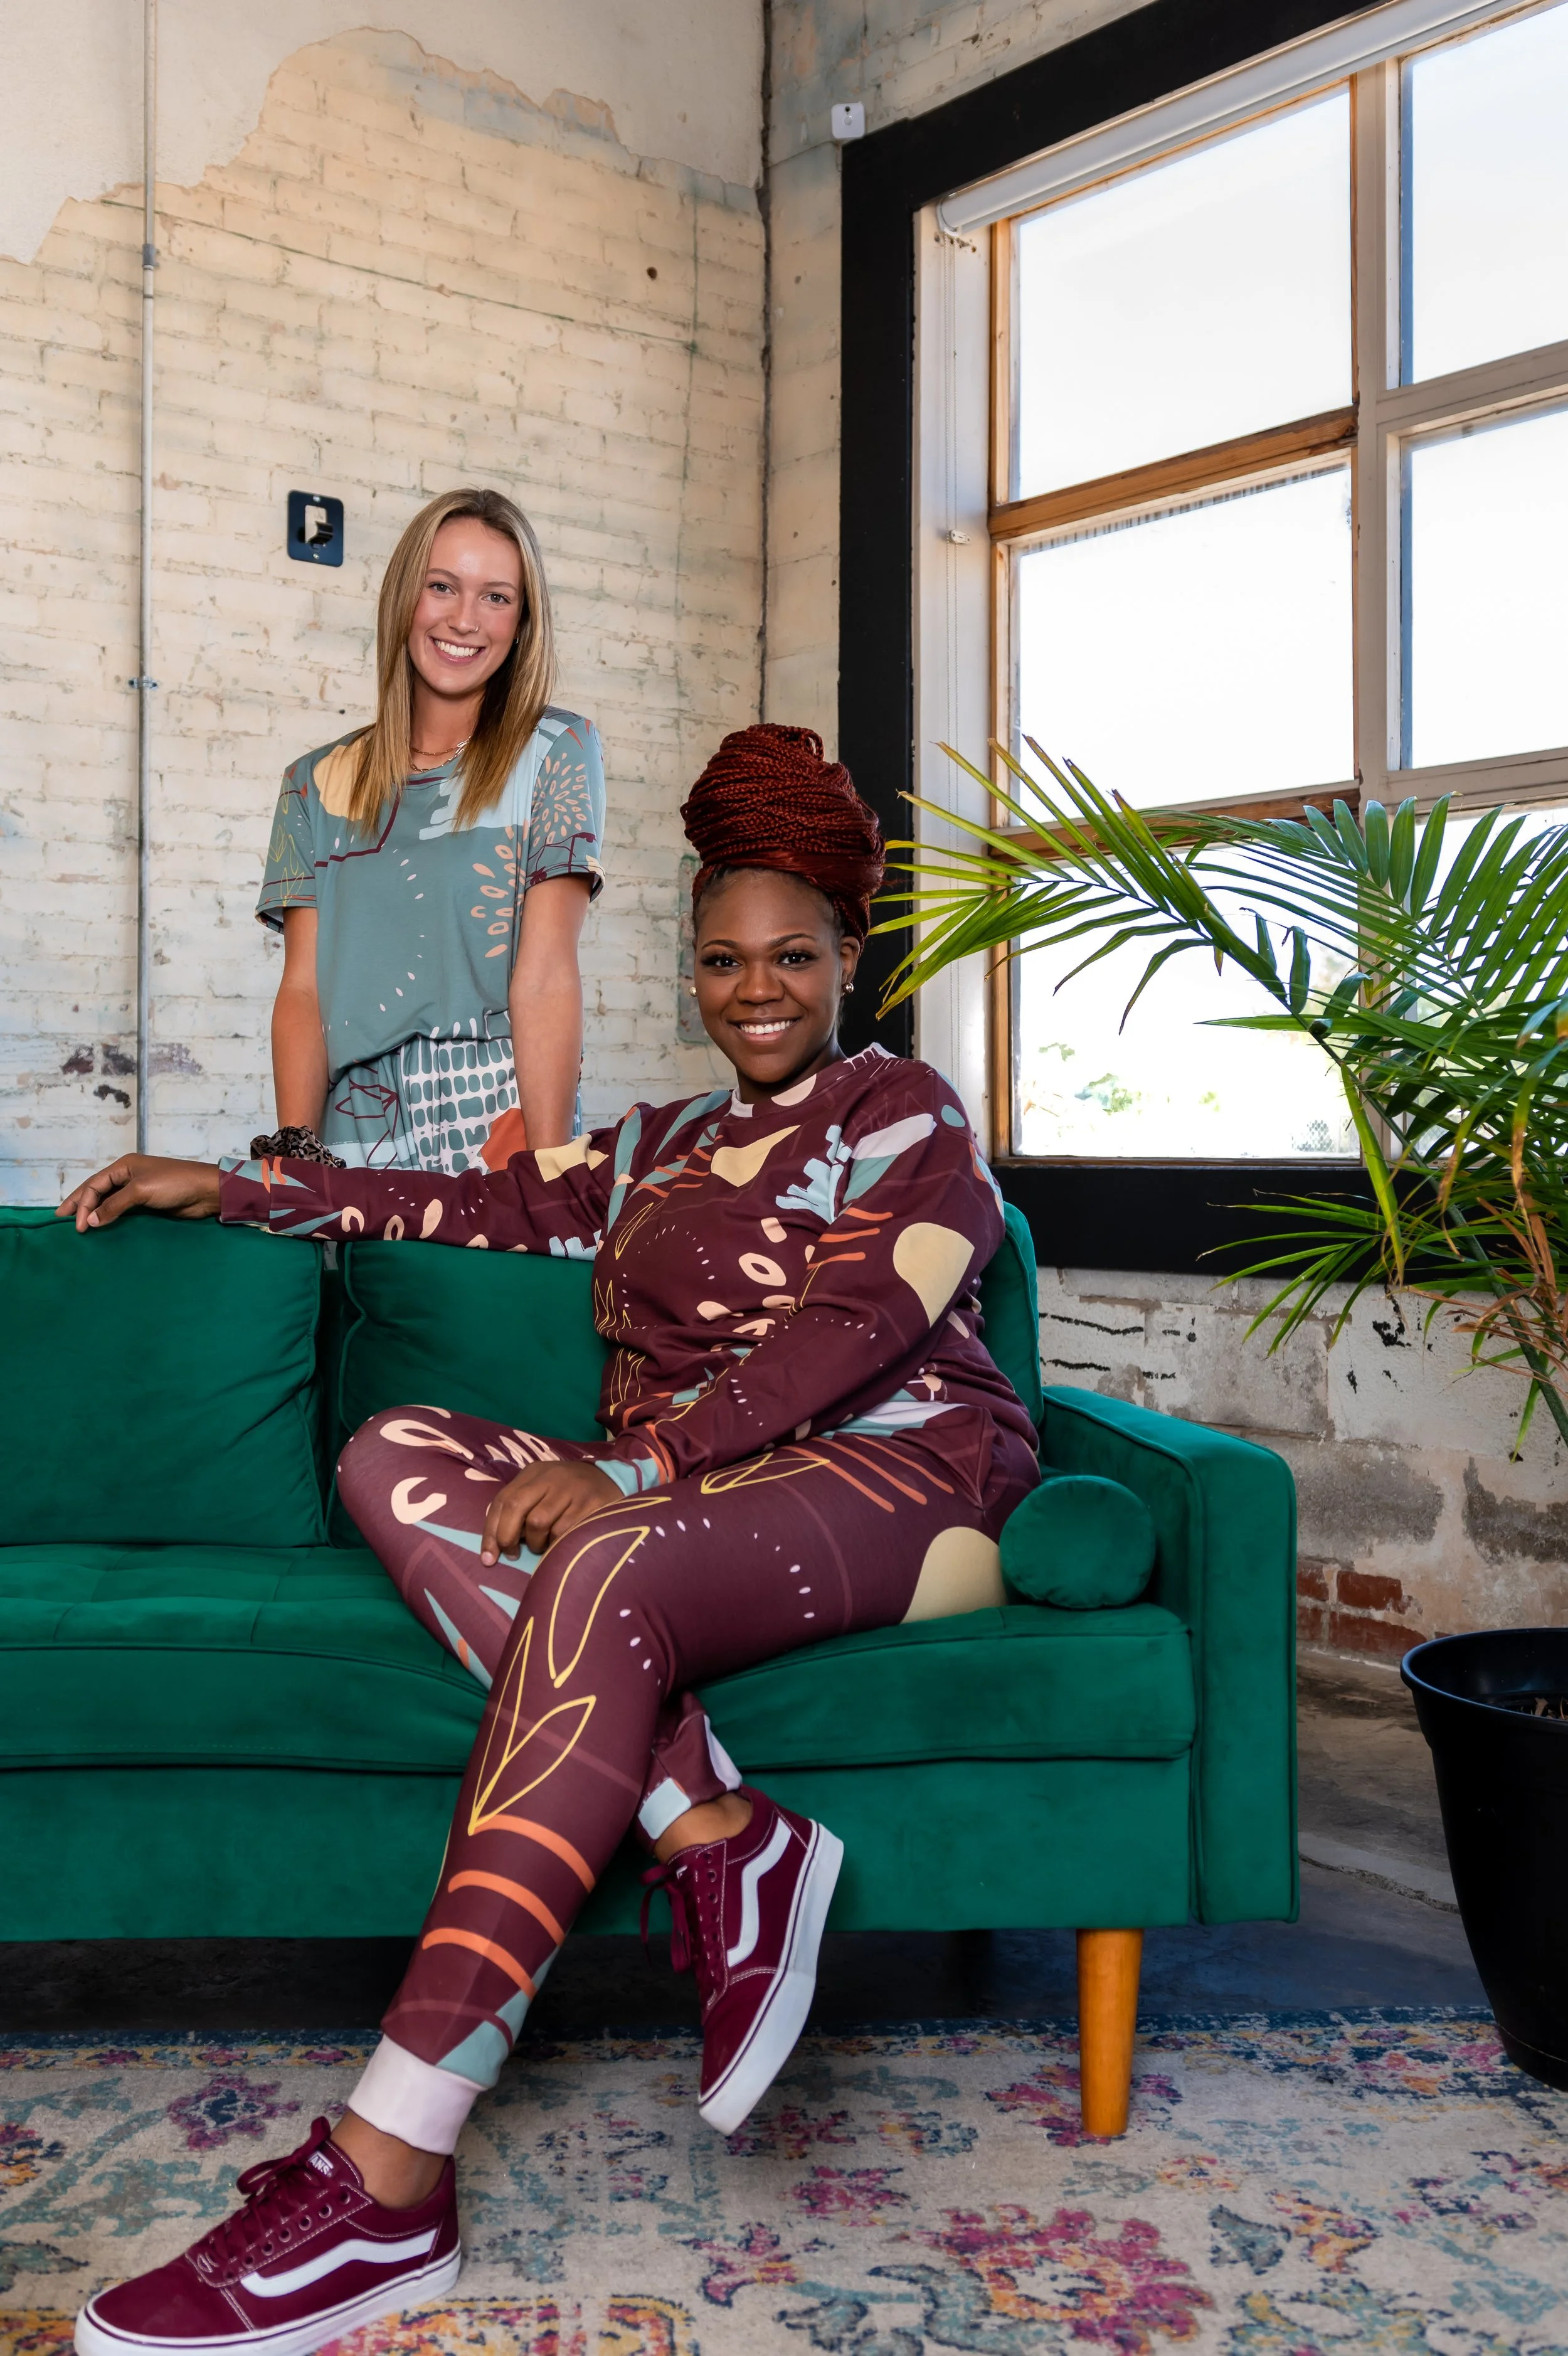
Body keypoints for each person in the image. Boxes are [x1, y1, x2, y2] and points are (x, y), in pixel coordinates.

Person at [61, 724, 1039, 2356]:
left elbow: (860, 1326)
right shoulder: (650, 1145)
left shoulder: (907, 1111)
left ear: (845, 958)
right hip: (691, 1496)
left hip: (896, 1472)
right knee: (396, 1449)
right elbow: (455, 1201)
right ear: (691, 967)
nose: (755, 987)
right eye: (722, 957)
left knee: (589, 1551)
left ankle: (388, 2160)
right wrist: (234, 1191)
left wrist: (636, 1461)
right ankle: (715, 1829)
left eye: (791, 953)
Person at [257, 485, 605, 1172]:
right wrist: (297, 1158)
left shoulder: (556, 750)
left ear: (522, 621)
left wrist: (547, 1166)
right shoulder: (313, 782)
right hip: (352, 1120)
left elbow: (544, 975)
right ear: (404, 598)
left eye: (496, 596)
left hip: (499, 1111)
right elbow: (302, 991)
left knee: (495, 1285)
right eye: (442, 586)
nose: (465, 619)